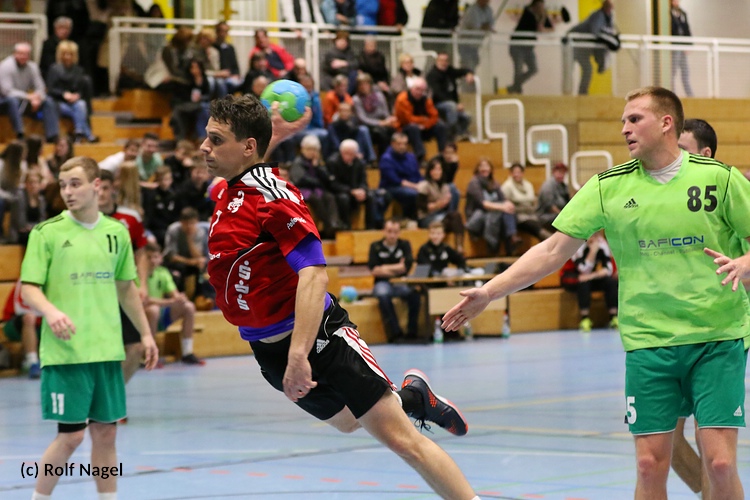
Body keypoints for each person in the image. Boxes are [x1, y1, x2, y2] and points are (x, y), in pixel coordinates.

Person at [443, 86, 748, 500]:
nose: (624, 129)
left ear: (666, 123)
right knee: (649, 465)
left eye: (634, 119)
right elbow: (552, 250)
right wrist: (490, 292)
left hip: (716, 336)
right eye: (623, 121)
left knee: (721, 463)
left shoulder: (720, 179)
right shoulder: (608, 187)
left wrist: (745, 263)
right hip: (649, 342)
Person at [199, 94, 478, 499]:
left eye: (215, 139)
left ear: (246, 146)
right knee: (349, 422)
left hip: (320, 339)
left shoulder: (276, 197)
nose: (204, 147)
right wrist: (276, 134)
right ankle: (414, 396)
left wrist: (299, 354)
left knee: (403, 442)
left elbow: (314, 274)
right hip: (266, 348)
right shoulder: (229, 191)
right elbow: (250, 164)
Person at [20, 156, 158, 499]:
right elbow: (28, 288)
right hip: (67, 353)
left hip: (106, 350)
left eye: (75, 184)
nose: (68, 191)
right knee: (71, 436)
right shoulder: (46, 233)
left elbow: (126, 288)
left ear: (96, 186)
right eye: (63, 185)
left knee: (106, 434)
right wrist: (51, 312)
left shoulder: (117, 232)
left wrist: (145, 334)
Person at [98, 169, 150, 384]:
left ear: (113, 189)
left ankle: (114, 395)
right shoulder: (84, 220)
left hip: (123, 291)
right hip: (96, 294)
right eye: (98, 188)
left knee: (136, 348)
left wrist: (143, 284)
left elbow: (141, 253)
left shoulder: (129, 218)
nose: (101, 193)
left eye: (105, 188)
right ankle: (104, 398)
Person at [144, 242, 205, 365]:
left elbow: (174, 294)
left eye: (155, 257)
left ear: (160, 258)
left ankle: (187, 352)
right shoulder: (137, 274)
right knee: (153, 310)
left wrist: (179, 299)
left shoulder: (162, 272)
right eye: (148, 257)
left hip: (159, 314)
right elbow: (144, 300)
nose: (152, 261)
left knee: (188, 307)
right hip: (141, 318)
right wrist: (170, 301)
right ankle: (149, 355)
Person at [368, 219, 422, 342]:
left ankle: (412, 332)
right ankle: (395, 333)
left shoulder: (404, 244)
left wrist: (383, 268)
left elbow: (406, 267)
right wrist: (397, 267)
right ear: (383, 231)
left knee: (415, 294)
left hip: (400, 282)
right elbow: (374, 270)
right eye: (389, 231)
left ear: (399, 232)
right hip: (382, 282)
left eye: (395, 232)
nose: (392, 235)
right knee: (383, 295)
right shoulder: (375, 246)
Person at [0, 42, 60, 143]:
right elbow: (6, 91)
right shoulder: (5, 66)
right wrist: (28, 96)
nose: (23, 56)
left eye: (26, 54)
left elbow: (41, 87)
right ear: (14, 53)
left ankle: (52, 136)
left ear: (29, 55)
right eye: (20, 53)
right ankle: (20, 134)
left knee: (48, 101)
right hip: (6, 101)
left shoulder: (32, 67)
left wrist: (37, 98)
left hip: (26, 101)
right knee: (12, 101)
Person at [560, 230, 618, 331]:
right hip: (571, 276)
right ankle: (585, 319)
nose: (593, 237)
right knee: (583, 283)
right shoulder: (577, 244)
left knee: (611, 282)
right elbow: (583, 269)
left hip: (589, 275)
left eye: (596, 234)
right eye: (591, 234)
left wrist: (592, 276)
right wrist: (593, 251)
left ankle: (613, 317)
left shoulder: (601, 243)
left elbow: (608, 270)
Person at [46, 40, 98, 144]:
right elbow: (50, 89)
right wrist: (63, 94)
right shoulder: (54, 69)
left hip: (74, 102)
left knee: (81, 104)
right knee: (77, 110)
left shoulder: (79, 70)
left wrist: (77, 95)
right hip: (58, 102)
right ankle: (87, 134)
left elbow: (80, 88)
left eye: (70, 54)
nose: (68, 57)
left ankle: (79, 131)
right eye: (65, 54)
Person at [465, 158, 520, 255]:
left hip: (493, 213)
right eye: (481, 166)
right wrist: (503, 207)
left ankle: (511, 240)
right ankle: (503, 243)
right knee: (496, 216)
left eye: (487, 166)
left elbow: (503, 199)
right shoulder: (474, 183)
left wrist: (508, 204)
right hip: (476, 217)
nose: (484, 169)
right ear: (477, 169)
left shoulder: (494, 183)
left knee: (507, 212)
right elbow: (483, 204)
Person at [393, 77, 448, 161]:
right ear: (411, 88)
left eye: (422, 90)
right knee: (413, 127)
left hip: (423, 128)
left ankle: (443, 154)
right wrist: (423, 119)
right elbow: (408, 119)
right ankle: (421, 156)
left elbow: (434, 116)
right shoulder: (402, 99)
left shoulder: (426, 99)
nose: (419, 92)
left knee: (440, 125)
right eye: (417, 89)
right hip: (404, 128)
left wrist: (425, 126)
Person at [567, 0, 616, 95]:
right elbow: (595, 31)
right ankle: (578, 93)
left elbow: (609, 32)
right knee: (583, 69)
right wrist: (607, 34)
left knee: (588, 69)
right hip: (576, 43)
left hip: (586, 46)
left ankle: (582, 93)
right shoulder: (598, 16)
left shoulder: (608, 18)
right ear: (605, 7)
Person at [417, 157, 465, 251]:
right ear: (430, 171)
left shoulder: (445, 186)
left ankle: (459, 247)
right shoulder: (424, 185)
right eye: (434, 169)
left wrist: (447, 203)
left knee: (456, 215)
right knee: (453, 217)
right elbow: (421, 207)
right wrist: (438, 204)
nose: (437, 172)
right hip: (427, 217)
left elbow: (446, 207)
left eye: (439, 169)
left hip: (442, 215)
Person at [508, 0, 553, 94]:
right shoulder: (528, 13)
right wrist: (542, 19)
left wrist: (543, 18)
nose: (541, 8)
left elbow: (550, 28)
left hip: (528, 48)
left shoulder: (542, 14)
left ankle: (515, 86)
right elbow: (538, 27)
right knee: (518, 69)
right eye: (539, 6)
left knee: (534, 68)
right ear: (535, 5)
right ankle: (517, 89)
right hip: (517, 45)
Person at [426, 52, 473, 141]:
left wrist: (468, 73)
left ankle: (461, 135)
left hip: (452, 104)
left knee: (467, 116)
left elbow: (461, 71)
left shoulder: (449, 71)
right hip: (438, 104)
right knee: (451, 106)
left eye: (446, 60)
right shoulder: (432, 75)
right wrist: (455, 105)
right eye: (441, 60)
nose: (444, 63)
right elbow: (437, 94)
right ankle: (452, 135)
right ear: (437, 61)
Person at [501, 162, 552, 241]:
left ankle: (551, 241)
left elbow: (533, 201)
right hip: (518, 216)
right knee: (533, 225)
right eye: (514, 172)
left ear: (522, 173)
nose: (516, 175)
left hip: (532, 214)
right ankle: (550, 240)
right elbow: (505, 204)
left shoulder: (528, 185)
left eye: (518, 172)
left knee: (545, 221)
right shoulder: (507, 186)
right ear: (511, 174)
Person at [378, 132, 423, 220]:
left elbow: (417, 175)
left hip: (412, 185)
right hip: (392, 187)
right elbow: (395, 180)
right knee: (412, 194)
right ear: (392, 144)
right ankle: (409, 218)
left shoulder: (411, 157)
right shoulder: (386, 158)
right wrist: (415, 186)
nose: (402, 146)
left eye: (405, 144)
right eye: (399, 144)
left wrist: (423, 183)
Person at [1, 279, 41, 378]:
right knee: (29, 317)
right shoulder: (25, 281)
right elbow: (20, 308)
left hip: (43, 324)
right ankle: (32, 362)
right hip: (15, 323)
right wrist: (48, 312)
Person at [458, 0, 494, 72]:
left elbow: (491, 24)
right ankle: (465, 78)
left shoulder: (488, 10)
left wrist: (485, 26)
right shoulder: (472, 10)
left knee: (475, 62)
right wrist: (484, 26)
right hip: (465, 43)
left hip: (475, 44)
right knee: (468, 64)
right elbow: (476, 25)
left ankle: (469, 77)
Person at [537, 161, 570, 229]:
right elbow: (550, 207)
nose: (562, 175)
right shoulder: (548, 185)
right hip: (545, 216)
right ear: (554, 172)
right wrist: (563, 216)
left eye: (563, 173)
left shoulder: (563, 186)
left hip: (558, 214)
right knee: (567, 220)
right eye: (560, 172)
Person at [671, 0, 693, 97]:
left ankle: (690, 96)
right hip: (674, 47)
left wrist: (688, 45)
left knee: (685, 72)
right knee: (673, 72)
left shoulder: (683, 14)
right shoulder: (668, 14)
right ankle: (672, 95)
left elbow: (687, 29)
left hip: (683, 47)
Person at [213, 21, 242, 94]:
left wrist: (236, 75)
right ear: (216, 32)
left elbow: (235, 66)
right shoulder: (212, 47)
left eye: (225, 31)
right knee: (220, 83)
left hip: (230, 76)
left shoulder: (230, 48)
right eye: (221, 31)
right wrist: (220, 73)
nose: (223, 34)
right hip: (218, 76)